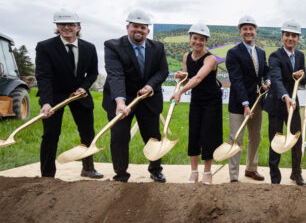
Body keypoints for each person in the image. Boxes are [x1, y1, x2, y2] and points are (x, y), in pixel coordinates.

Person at [35, 9, 103, 179]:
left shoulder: (89, 47)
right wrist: (46, 102)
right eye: (62, 24)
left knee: (88, 133)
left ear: (78, 27)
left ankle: (88, 168)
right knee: (51, 134)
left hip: (80, 96)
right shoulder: (45, 47)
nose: (66, 28)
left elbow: (93, 73)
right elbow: (43, 76)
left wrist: (84, 88)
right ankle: (47, 175)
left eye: (71, 24)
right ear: (57, 26)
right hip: (54, 97)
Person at [102, 9, 168, 183]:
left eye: (142, 27)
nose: (138, 30)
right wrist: (120, 101)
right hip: (122, 98)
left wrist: (150, 85)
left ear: (148, 30)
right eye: (135, 26)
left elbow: (162, 71)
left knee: (152, 135)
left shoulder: (158, 47)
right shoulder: (113, 46)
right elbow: (116, 74)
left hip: (149, 97)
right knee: (120, 136)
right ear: (127, 27)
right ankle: (121, 174)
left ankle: (156, 170)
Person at [172, 23, 223, 185]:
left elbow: (199, 78)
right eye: (195, 38)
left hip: (211, 101)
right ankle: (194, 172)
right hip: (197, 100)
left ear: (206, 41)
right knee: (194, 134)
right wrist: (181, 76)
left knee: (208, 135)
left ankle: (207, 172)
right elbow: (189, 77)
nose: (198, 42)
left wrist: (180, 91)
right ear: (190, 39)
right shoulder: (187, 56)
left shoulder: (211, 59)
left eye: (202, 39)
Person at [224, 15, 270, 183]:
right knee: (236, 137)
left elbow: (266, 70)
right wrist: (245, 104)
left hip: (257, 102)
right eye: (245, 29)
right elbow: (236, 80)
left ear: (255, 31)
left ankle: (251, 169)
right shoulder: (233, 53)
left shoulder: (260, 52)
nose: (248, 32)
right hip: (239, 104)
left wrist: (267, 81)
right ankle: (234, 176)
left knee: (255, 136)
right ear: (240, 32)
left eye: (251, 29)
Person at [263, 19, 306, 185]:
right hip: (276, 104)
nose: (290, 38)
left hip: (293, 106)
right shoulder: (275, 56)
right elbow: (276, 79)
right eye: (287, 35)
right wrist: (285, 96)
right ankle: (275, 178)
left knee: (296, 140)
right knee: (276, 142)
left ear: (298, 38)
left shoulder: (301, 56)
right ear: (282, 37)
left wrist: (301, 75)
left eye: (294, 36)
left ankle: (297, 174)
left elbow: (305, 80)